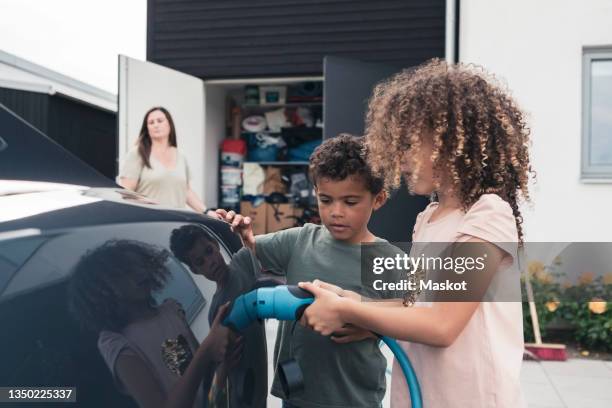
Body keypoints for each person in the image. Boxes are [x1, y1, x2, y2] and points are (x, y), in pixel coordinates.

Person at [298, 59, 533, 407]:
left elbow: (442, 324)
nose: (400, 161)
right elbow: (416, 303)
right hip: (422, 392)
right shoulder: (429, 218)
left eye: (408, 146)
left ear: (451, 142)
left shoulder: (487, 215)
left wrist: (349, 312)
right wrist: (355, 302)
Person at [217, 134, 400, 408]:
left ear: (378, 199)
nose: (336, 212)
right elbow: (251, 253)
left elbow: (420, 315)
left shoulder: (390, 259)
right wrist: (238, 234)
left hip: (353, 399)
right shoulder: (300, 240)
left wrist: (371, 327)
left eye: (350, 202)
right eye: (325, 200)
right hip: (297, 395)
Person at [68, 239, 232, 408]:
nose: (139, 272)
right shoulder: (115, 342)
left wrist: (224, 362)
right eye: (125, 272)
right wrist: (207, 350)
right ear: (103, 291)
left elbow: (207, 377)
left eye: (139, 264)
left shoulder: (171, 309)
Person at [170, 225, 269, 408]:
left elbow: (258, 250)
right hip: (243, 397)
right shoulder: (217, 311)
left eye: (209, 251)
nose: (211, 262)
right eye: (200, 262)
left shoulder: (243, 263)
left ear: (216, 244)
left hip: (262, 390)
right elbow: (224, 362)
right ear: (195, 270)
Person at [118, 107, 207, 213]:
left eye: (160, 121)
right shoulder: (137, 154)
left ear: (169, 124)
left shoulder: (181, 156)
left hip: (176, 225)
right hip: (148, 223)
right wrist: (148, 203)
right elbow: (125, 193)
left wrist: (207, 212)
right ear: (147, 129)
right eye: (151, 122)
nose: (156, 125)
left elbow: (186, 191)